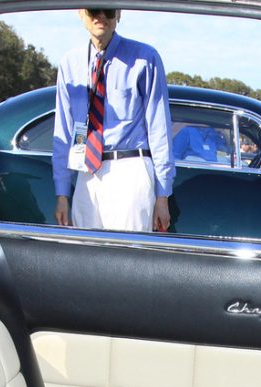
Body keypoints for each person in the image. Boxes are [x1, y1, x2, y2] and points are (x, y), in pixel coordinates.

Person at [53, 8, 174, 232]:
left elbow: (160, 129)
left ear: (118, 13)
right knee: (86, 250)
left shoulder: (145, 58)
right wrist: (62, 193)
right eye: (93, 10)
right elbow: (63, 130)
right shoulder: (70, 63)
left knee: (128, 251)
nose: (100, 16)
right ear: (81, 13)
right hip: (86, 173)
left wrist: (162, 195)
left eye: (108, 10)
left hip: (130, 168)